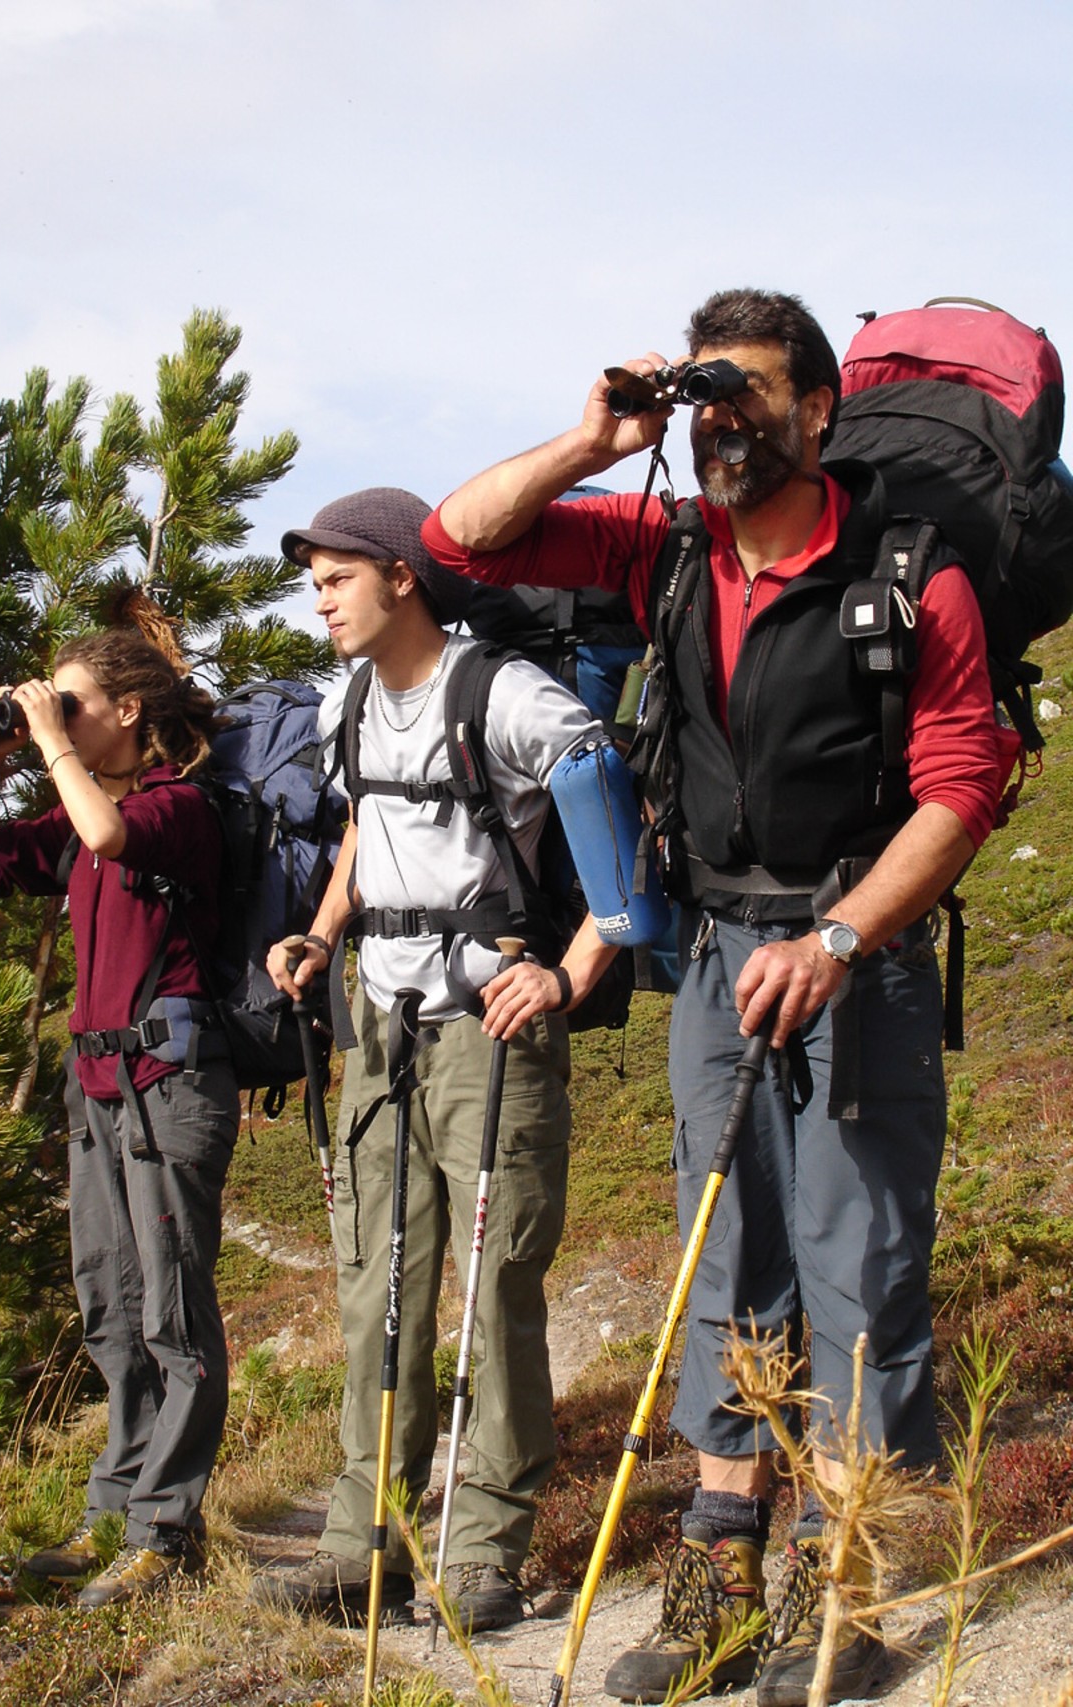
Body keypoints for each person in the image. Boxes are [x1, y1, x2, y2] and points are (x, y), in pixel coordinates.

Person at [423, 291, 1009, 1704]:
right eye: (705, 399)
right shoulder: (665, 554)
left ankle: (844, 1574)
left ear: (820, 411)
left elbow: (962, 785)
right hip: (712, 944)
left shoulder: (908, 573)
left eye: (749, 392)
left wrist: (845, 941)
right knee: (722, 1243)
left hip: (850, 959)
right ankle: (720, 1566)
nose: (721, 421)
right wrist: (591, 438)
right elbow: (459, 539)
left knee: (856, 1257)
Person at [250, 486, 614, 1633]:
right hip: (378, 1023)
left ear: (401, 573)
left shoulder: (498, 692)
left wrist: (571, 968)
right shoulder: (344, 701)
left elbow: (614, 804)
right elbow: (365, 823)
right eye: (312, 583)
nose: (319, 601)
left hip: (489, 1023)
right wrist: (322, 928)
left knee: (494, 1280)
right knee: (378, 1286)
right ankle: (370, 1542)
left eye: (336, 578)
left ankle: (485, 1552)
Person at [0, 629, 237, 1608]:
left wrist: (49, 744)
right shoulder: (80, 819)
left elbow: (111, 837)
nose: (51, 719)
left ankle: (167, 1531)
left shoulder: (177, 809)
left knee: (172, 1313)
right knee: (112, 1308)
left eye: (69, 702)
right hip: (97, 1087)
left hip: (167, 1081)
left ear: (128, 711)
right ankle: (114, 1509)